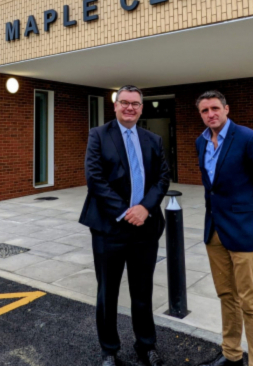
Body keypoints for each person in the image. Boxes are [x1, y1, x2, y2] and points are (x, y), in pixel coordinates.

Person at [79, 85, 171, 366]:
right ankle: (109, 350)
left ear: (142, 108)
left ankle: (146, 345)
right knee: (108, 292)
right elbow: (95, 178)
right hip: (109, 228)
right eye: (124, 103)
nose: (130, 108)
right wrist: (124, 212)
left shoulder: (152, 139)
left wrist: (145, 208)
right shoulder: (99, 135)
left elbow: (163, 178)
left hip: (145, 227)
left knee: (142, 292)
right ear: (115, 105)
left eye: (135, 104)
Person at [194, 90, 253, 366]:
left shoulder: (248, 138)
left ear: (226, 109)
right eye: (204, 110)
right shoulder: (201, 141)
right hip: (215, 233)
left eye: (215, 108)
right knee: (226, 296)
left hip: (246, 233)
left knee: (250, 303)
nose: (210, 114)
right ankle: (231, 353)